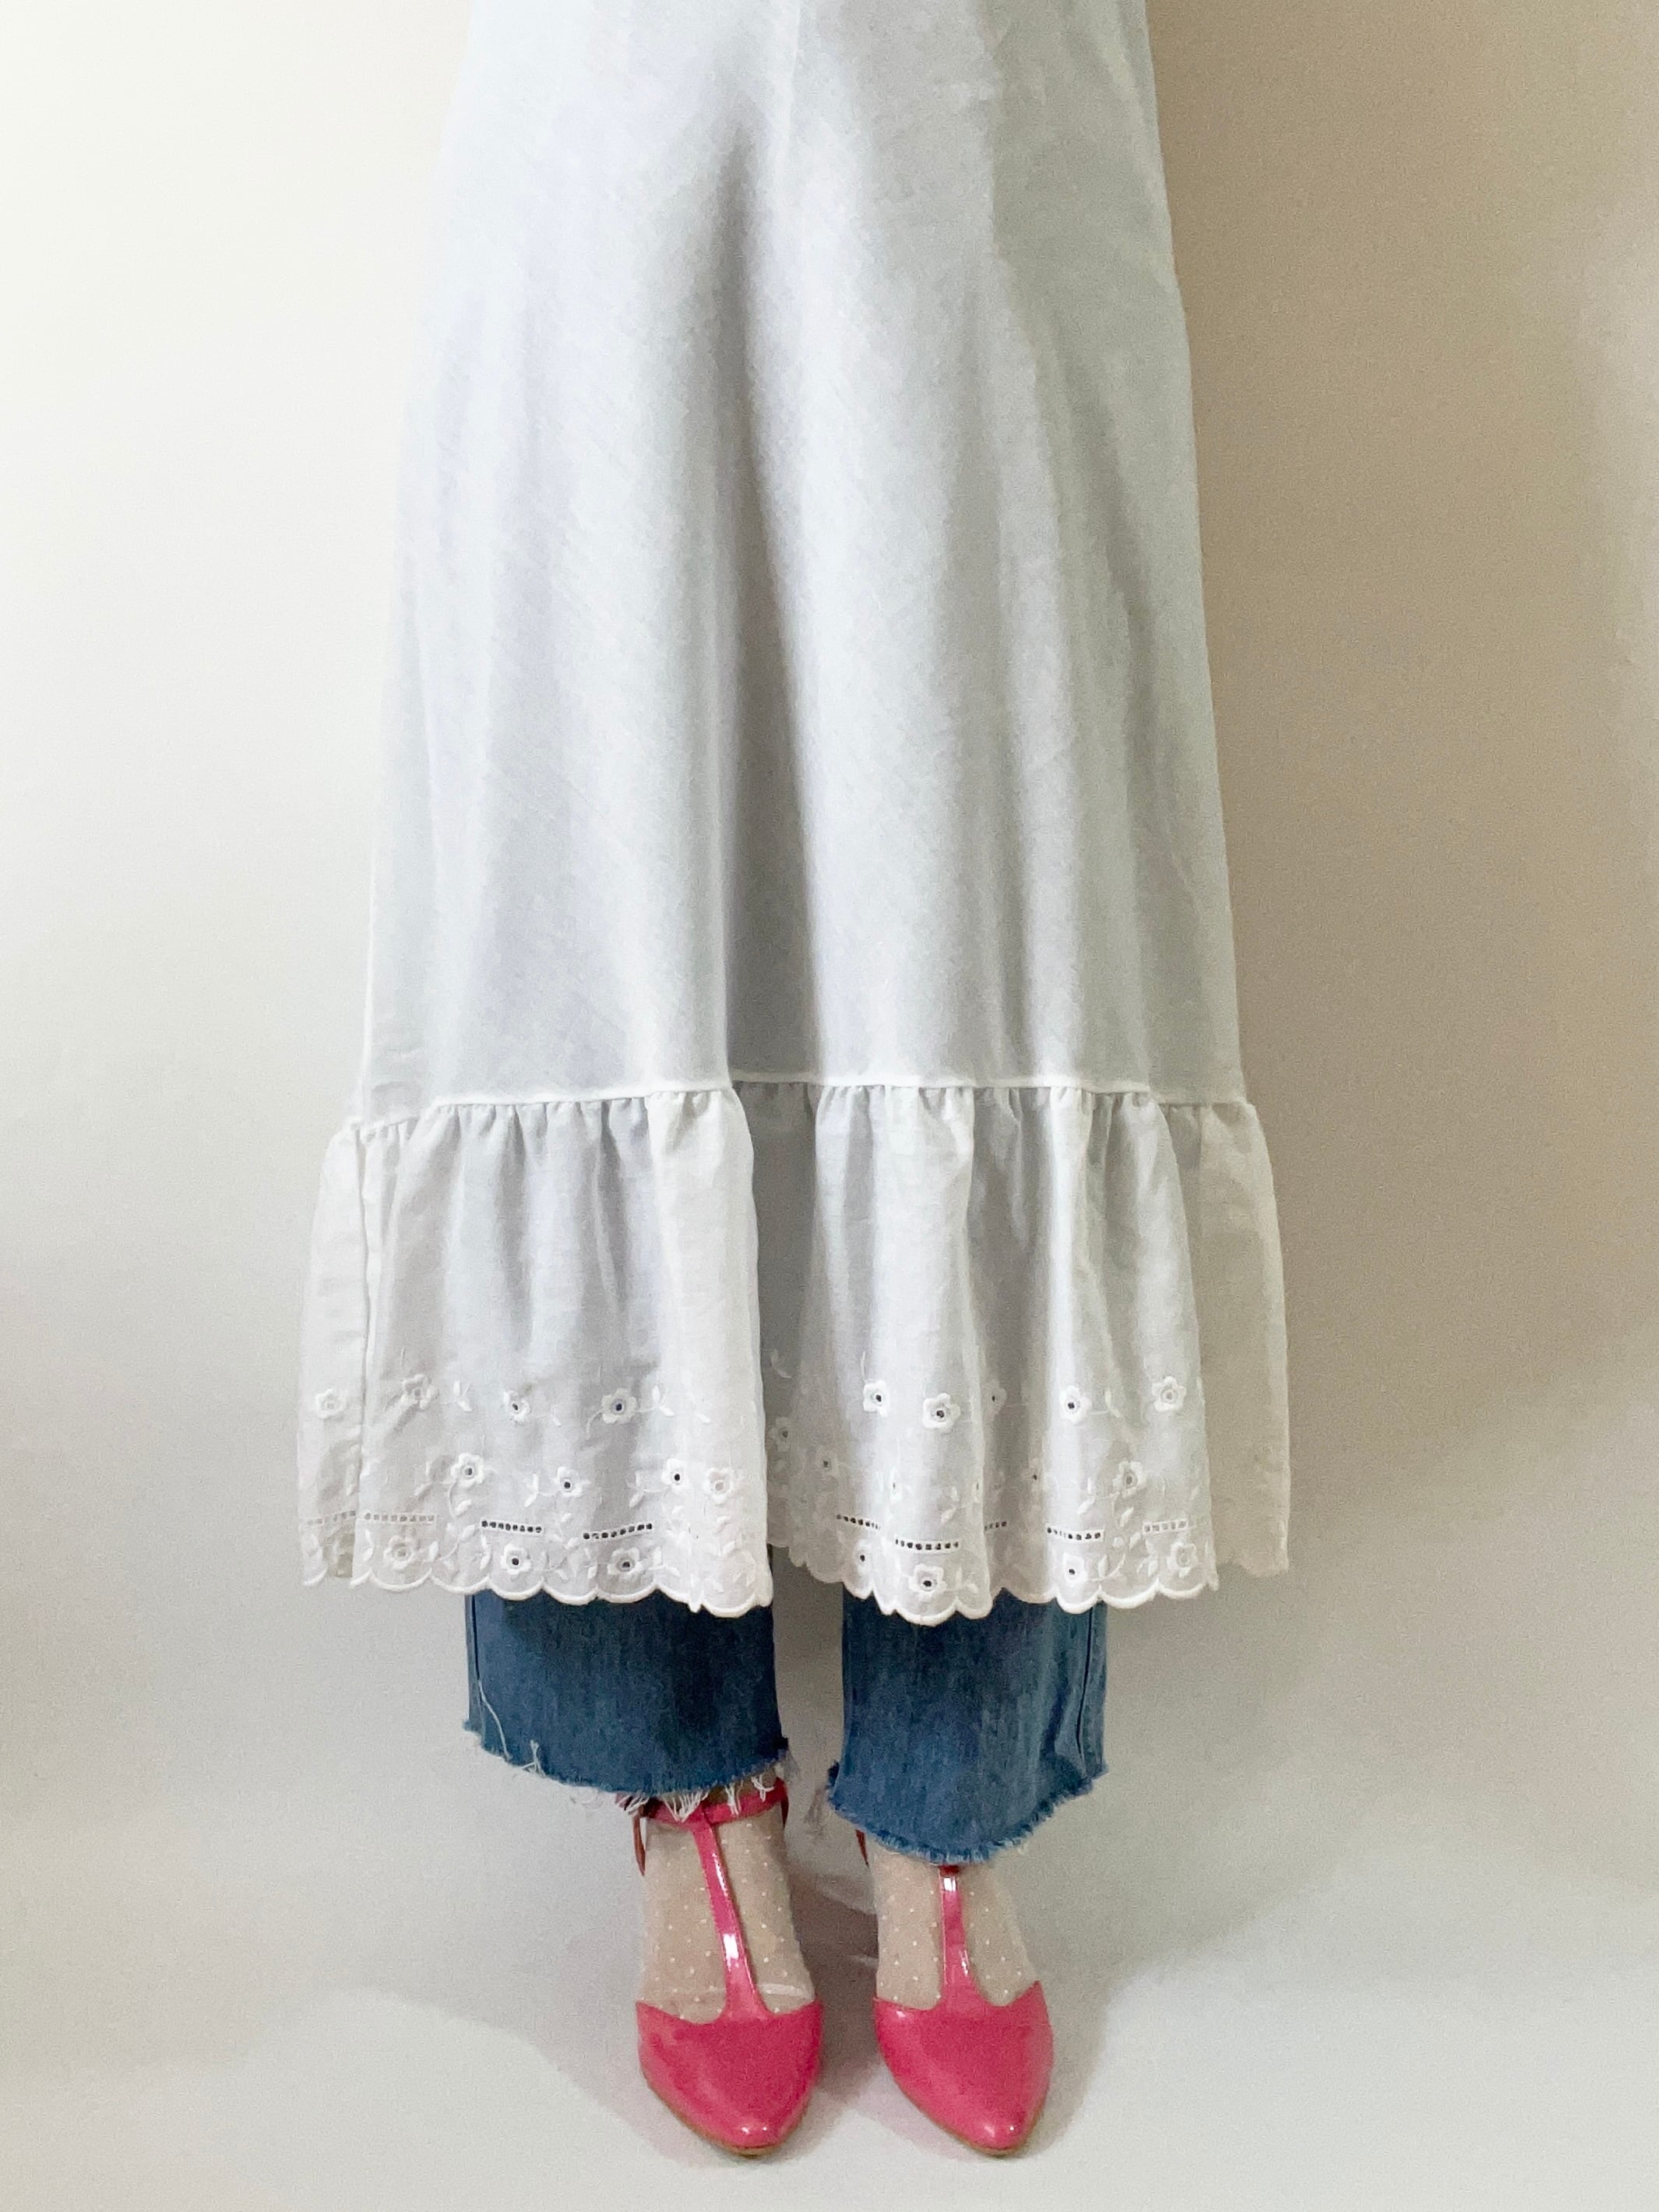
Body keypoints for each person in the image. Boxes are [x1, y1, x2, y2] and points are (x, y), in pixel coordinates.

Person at [298, 0, 1291, 2160]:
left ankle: (953, 1806)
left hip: (985, 115)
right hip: (621, 119)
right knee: (609, 910)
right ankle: (690, 1798)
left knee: (999, 930)